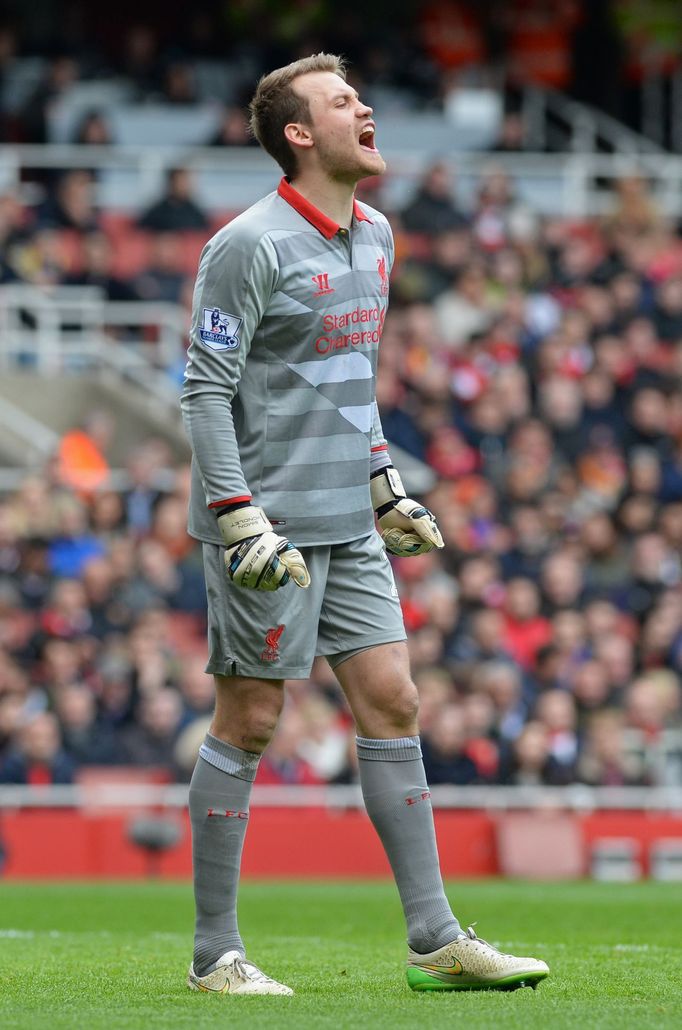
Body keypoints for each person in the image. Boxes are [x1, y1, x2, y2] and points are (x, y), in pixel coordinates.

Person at [181, 52, 549, 998]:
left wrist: (384, 482)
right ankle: (215, 955)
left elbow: (351, 384)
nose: (366, 109)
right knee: (253, 717)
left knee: (394, 700)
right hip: (265, 525)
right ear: (299, 134)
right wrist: (234, 516)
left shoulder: (378, 234)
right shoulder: (247, 244)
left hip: (349, 520)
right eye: (343, 102)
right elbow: (205, 390)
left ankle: (435, 938)